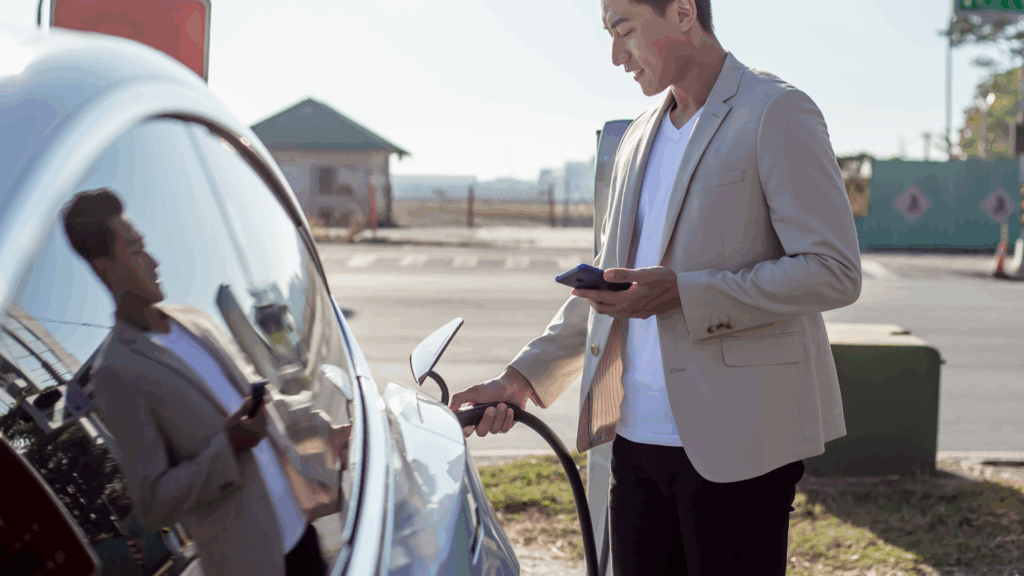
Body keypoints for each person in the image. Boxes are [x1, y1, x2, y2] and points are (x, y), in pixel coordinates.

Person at [449, 0, 862, 574]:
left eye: (625, 31)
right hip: (635, 440)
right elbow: (609, 282)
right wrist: (521, 380)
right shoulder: (638, 136)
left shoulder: (777, 111)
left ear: (685, 12)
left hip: (739, 443)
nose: (617, 57)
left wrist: (686, 294)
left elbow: (832, 268)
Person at [61, 188, 350, 576]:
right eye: (135, 249)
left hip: (302, 529)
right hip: (251, 564)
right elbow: (152, 501)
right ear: (103, 267)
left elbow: (264, 403)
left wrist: (332, 429)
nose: (154, 261)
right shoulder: (116, 372)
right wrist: (229, 447)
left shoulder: (193, 320)